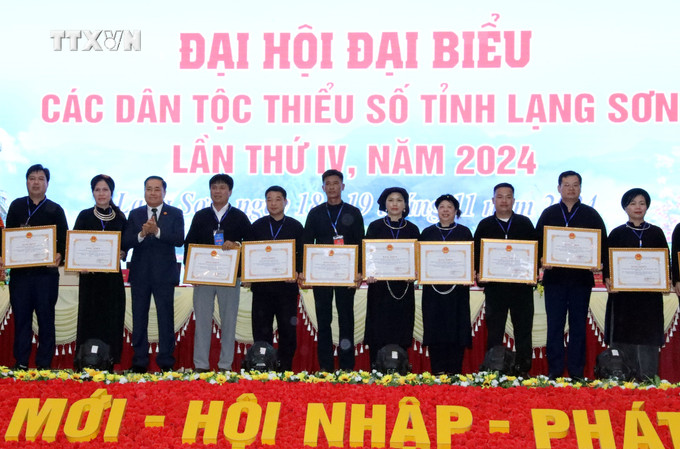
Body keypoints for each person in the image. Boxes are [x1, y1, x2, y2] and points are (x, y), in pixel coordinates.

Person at [536, 170, 607, 379]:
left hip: (581, 281)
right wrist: (541, 259)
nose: (571, 189)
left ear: (580, 188)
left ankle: (576, 372)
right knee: (554, 326)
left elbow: (603, 243)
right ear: (559, 188)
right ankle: (555, 370)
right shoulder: (549, 214)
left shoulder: (591, 215)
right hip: (555, 280)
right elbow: (537, 242)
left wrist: (599, 262)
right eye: (566, 185)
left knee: (578, 327)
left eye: (575, 185)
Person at [2, 164, 68, 370]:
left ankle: (44, 365)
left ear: (47, 183)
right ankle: (21, 363)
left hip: (46, 276)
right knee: (21, 320)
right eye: (32, 178)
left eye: (41, 178)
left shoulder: (55, 209)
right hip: (20, 276)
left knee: (46, 320)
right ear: (26, 182)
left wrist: (60, 255)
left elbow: (65, 241)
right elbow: (7, 238)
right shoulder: (16, 206)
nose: (36, 182)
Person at [184, 174, 251, 372]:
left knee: (229, 322)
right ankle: (201, 365)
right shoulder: (201, 216)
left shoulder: (239, 216)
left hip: (230, 278)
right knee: (202, 322)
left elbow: (251, 244)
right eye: (214, 187)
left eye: (222, 188)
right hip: (203, 277)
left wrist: (237, 244)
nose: (218, 191)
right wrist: (191, 273)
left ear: (230, 192)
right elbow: (189, 244)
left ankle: (225, 365)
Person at [301, 169, 365, 372]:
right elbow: (306, 243)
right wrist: (304, 271)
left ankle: (347, 367)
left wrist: (359, 271)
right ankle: (326, 367)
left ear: (342, 186)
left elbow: (360, 243)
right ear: (323, 188)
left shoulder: (353, 212)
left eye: (335, 183)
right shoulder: (315, 213)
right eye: (327, 184)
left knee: (346, 320)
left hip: (346, 275)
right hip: (321, 275)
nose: (331, 187)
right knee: (324, 321)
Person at [604, 188, 669, 380]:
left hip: (649, 298)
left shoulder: (656, 233)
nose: (638, 207)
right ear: (625, 208)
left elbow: (665, 261)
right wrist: (608, 278)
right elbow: (607, 262)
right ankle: (623, 378)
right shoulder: (617, 233)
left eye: (642, 203)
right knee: (623, 335)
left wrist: (666, 278)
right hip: (623, 298)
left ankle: (648, 379)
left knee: (648, 337)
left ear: (647, 206)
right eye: (632, 203)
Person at [473, 183, 536, 377]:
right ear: (493, 200)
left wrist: (533, 273)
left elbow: (535, 252)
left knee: (523, 331)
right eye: (500, 197)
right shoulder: (485, 225)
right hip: (495, 289)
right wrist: (479, 274)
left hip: (521, 289)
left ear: (514, 200)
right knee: (494, 332)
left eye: (508, 197)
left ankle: (523, 370)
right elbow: (477, 255)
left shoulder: (525, 223)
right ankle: (494, 369)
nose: (504, 201)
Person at [123, 176, 184, 373]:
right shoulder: (135, 214)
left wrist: (157, 231)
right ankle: (139, 361)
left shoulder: (175, 213)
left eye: (157, 189)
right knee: (139, 318)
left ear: (164, 192)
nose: (153, 193)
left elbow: (179, 239)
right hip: (140, 274)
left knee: (165, 319)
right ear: (144, 191)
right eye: (149, 189)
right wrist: (141, 234)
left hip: (164, 275)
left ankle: (166, 362)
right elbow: (126, 241)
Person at [73, 175, 128, 369]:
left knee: (111, 319)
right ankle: (85, 360)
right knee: (89, 318)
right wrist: (79, 263)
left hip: (112, 280)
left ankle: (107, 361)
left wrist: (123, 252)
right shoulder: (84, 216)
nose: (101, 193)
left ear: (111, 192)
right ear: (92, 192)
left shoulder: (120, 217)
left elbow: (126, 244)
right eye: (97, 190)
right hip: (90, 279)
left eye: (105, 190)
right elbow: (75, 244)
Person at [246, 186, 303, 371]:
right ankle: (262, 366)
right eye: (269, 199)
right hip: (262, 290)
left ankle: (285, 368)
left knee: (288, 331)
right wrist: (247, 274)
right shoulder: (257, 226)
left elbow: (302, 254)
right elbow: (248, 254)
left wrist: (297, 272)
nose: (273, 203)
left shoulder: (295, 226)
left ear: (285, 202)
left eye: (278, 199)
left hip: (287, 290)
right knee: (261, 331)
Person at [364, 187, 420, 367]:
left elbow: (418, 259)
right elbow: (368, 257)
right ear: (384, 204)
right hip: (379, 289)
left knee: (401, 329)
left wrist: (415, 273)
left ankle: (400, 371)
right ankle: (377, 369)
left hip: (403, 289)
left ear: (405, 205)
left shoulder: (412, 229)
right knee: (378, 331)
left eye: (399, 200)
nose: (395, 204)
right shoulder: (375, 227)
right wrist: (368, 272)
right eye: (391, 200)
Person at [419, 194, 472, 375]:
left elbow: (470, 260)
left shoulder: (464, 232)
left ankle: (455, 372)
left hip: (457, 292)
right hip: (433, 292)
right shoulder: (427, 233)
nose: (445, 210)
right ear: (437, 210)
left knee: (456, 329)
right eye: (442, 206)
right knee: (435, 329)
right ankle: (437, 372)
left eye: (449, 207)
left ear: (456, 211)